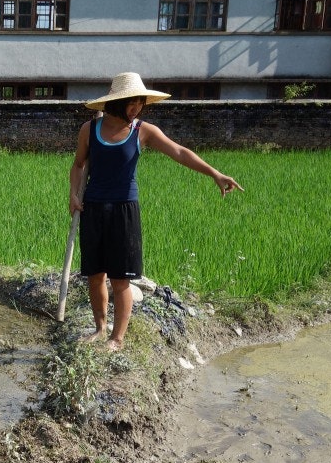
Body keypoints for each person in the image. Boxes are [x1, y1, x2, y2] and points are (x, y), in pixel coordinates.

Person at [69, 72, 243, 351]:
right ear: (116, 103)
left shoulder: (142, 131)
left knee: (120, 278)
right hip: (94, 208)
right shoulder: (90, 129)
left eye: (140, 102)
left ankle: (117, 338)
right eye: (132, 102)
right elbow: (78, 165)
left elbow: (179, 152)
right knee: (95, 274)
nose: (137, 107)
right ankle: (100, 329)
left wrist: (214, 173)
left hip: (124, 210)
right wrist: (74, 195)